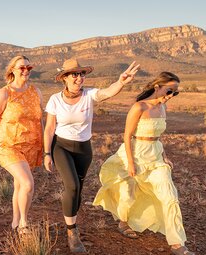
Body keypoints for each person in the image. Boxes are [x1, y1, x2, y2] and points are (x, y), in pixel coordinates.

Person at [93, 72, 195, 255]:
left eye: (175, 93)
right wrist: (131, 163)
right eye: (169, 91)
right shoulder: (139, 107)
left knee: (170, 197)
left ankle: (177, 244)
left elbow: (157, 137)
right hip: (134, 155)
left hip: (155, 158)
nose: (170, 96)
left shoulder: (163, 108)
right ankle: (123, 221)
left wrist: (164, 156)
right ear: (157, 87)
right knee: (128, 193)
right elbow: (127, 136)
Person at [44, 58, 140, 253]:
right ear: (65, 78)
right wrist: (47, 153)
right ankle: (72, 232)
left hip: (84, 149)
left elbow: (108, 92)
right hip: (61, 146)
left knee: (78, 189)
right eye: (74, 74)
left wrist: (121, 82)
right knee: (71, 186)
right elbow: (48, 129)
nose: (79, 78)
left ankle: (70, 217)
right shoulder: (55, 99)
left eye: (82, 74)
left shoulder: (89, 95)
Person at [0, 55, 43, 232]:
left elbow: (40, 121)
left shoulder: (36, 92)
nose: (25, 71)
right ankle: (24, 224)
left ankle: (15, 222)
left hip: (30, 146)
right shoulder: (3, 94)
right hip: (7, 145)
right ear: (12, 71)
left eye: (28, 68)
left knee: (19, 185)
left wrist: (45, 147)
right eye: (21, 68)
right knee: (27, 184)